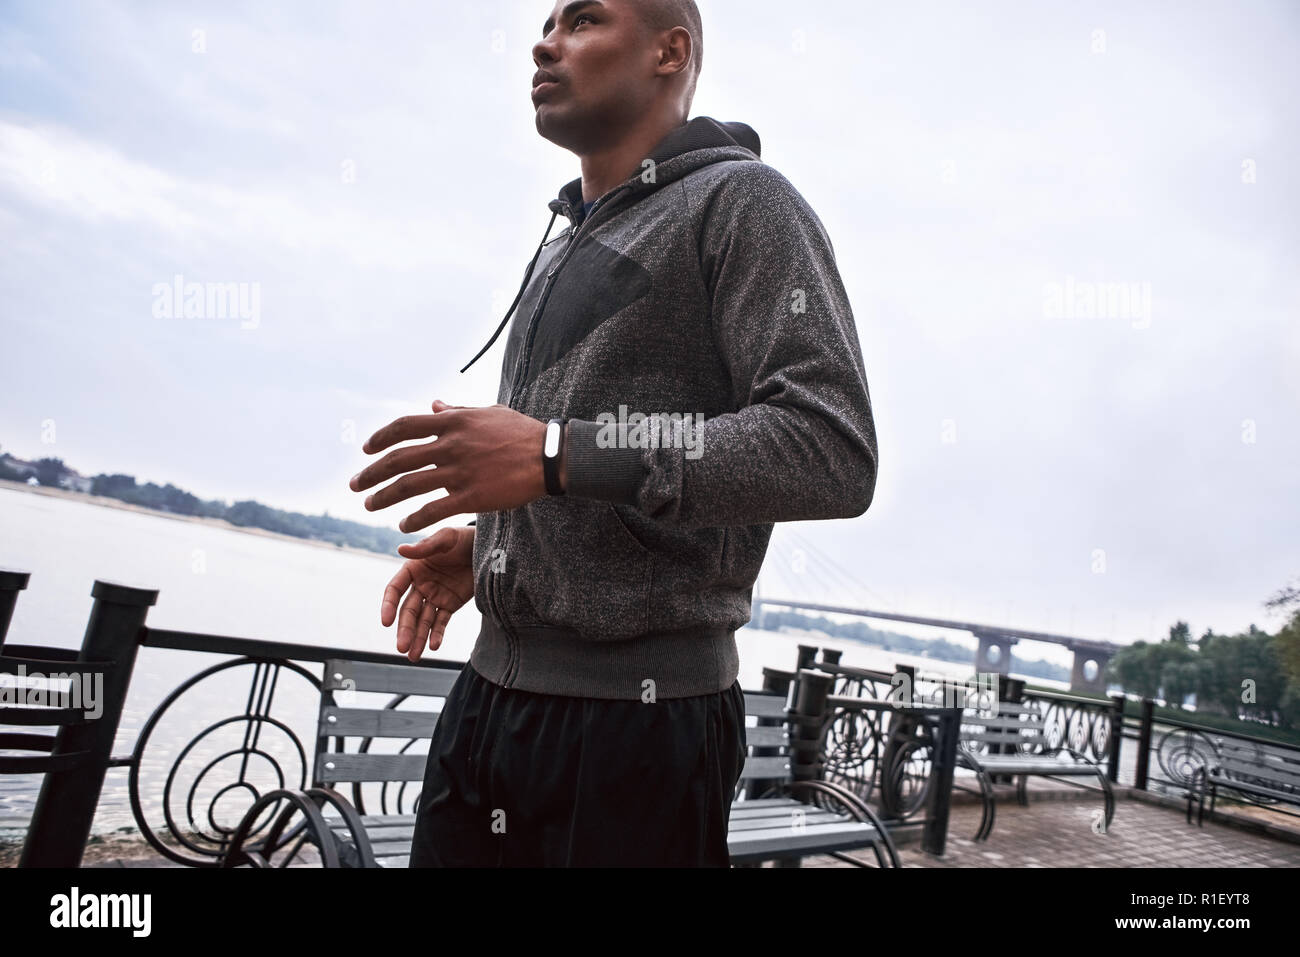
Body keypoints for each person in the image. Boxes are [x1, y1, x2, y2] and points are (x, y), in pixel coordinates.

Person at [347, 0, 878, 866]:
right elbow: (574, 471)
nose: (544, 39)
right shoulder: (560, 244)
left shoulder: (745, 202)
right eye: (548, 20)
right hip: (486, 704)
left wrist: (555, 455)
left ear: (671, 51)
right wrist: (498, 546)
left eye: (584, 18)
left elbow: (830, 448)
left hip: (640, 731)